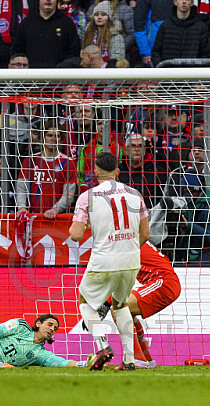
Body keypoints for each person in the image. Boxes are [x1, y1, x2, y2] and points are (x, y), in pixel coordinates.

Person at [69, 151, 150, 371]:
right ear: (117, 171)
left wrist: (81, 225)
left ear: (95, 171)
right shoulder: (135, 194)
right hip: (132, 259)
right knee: (120, 304)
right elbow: (146, 234)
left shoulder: (88, 196)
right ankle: (129, 361)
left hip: (105, 258)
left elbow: (75, 235)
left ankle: (102, 345)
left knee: (85, 301)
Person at [96, 241, 181, 368]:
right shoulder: (129, 239)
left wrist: (105, 305)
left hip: (163, 282)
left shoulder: (123, 243)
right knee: (125, 311)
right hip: (164, 282)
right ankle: (147, 359)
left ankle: (137, 358)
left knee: (118, 309)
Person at [15, 120, 76, 219]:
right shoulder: (30, 160)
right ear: (43, 137)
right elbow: (21, 189)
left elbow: (69, 194)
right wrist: (21, 207)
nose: (53, 139)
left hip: (58, 217)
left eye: (57, 136)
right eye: (49, 135)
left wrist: (55, 209)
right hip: (32, 216)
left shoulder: (68, 162)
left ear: (61, 139)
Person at [11, 0, 81, 68]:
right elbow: (18, 51)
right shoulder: (26, 23)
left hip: (59, 76)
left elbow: (74, 52)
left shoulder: (67, 23)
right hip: (31, 76)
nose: (48, 0)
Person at [179, 171, 210, 266]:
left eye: (190, 192)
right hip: (198, 253)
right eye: (185, 191)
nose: (188, 195)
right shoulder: (196, 202)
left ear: (198, 190)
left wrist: (188, 225)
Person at [151, 0, 210, 66]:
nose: (184, 2)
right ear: (175, 2)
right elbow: (156, 52)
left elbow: (206, 54)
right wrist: (162, 70)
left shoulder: (201, 27)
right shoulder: (165, 26)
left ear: (192, 3)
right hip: (169, 73)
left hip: (193, 73)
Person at [133, 0, 172, 67]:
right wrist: (145, 52)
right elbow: (138, 26)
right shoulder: (143, 2)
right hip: (152, 51)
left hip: (172, 48)